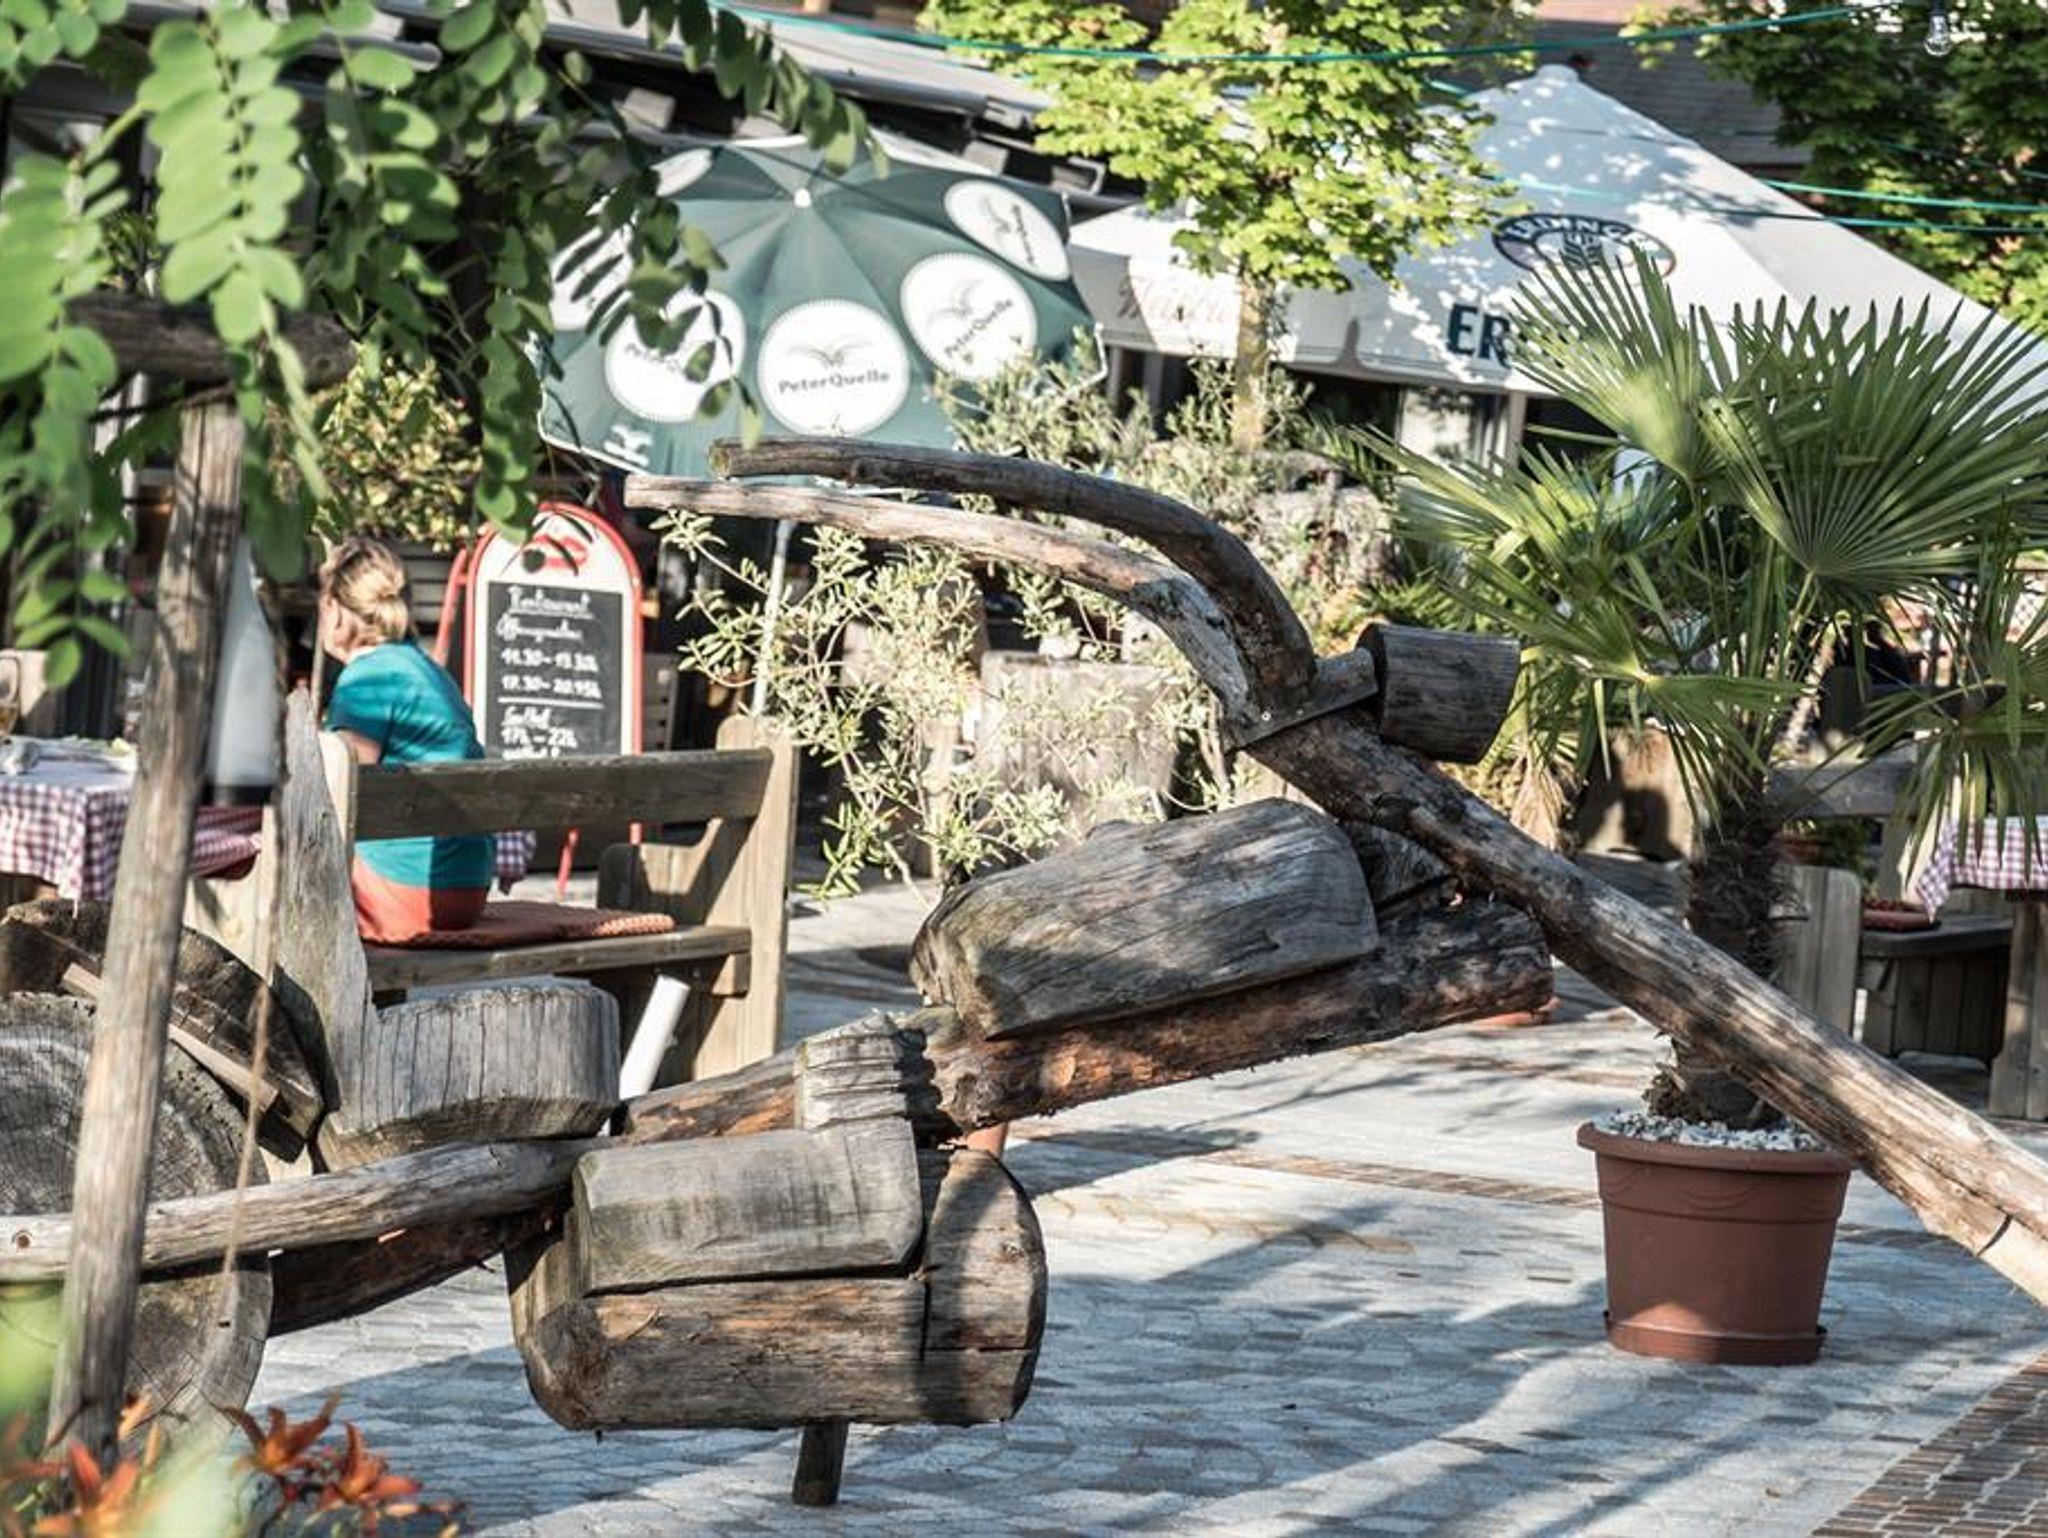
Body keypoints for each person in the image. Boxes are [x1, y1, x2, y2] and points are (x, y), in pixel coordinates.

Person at [319, 536, 494, 943]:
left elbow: (335, 788)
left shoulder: (368, 678)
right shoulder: (428, 669)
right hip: (466, 887)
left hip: (405, 894)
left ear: (335, 611)